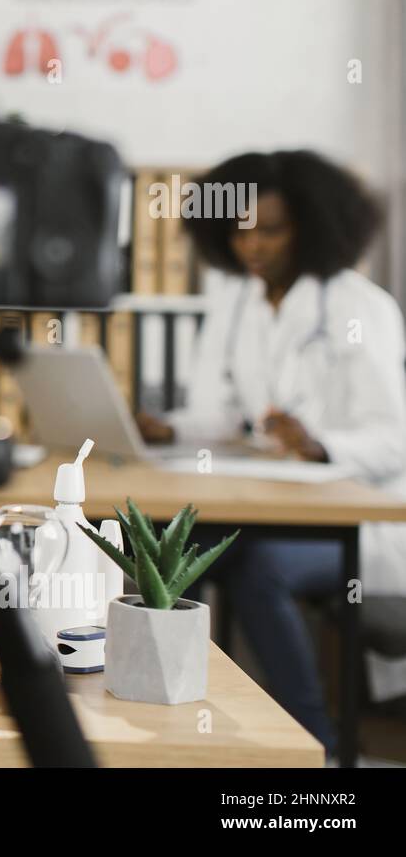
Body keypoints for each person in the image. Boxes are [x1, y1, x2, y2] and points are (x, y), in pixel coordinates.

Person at [135, 150, 406, 754]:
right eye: (239, 230)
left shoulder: (360, 308)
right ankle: (170, 728)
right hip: (278, 505)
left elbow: (393, 441)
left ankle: (315, 746)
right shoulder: (240, 303)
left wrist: (317, 444)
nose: (252, 247)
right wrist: (168, 431)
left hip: (361, 521)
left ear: (314, 228)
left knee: (258, 567)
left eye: (272, 230)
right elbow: (227, 415)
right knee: (172, 553)